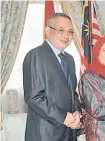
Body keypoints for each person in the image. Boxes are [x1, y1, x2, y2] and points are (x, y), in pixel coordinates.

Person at [23, 13, 82, 141]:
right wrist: (63, 117)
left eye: (70, 32)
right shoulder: (35, 55)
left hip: (69, 132)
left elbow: (73, 93)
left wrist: (77, 112)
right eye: (61, 30)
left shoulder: (70, 59)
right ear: (48, 31)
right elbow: (34, 97)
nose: (66, 36)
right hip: (45, 134)